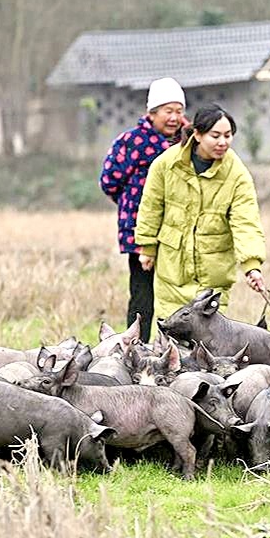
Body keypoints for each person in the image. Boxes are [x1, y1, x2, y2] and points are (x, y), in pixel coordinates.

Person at [133, 104, 267, 321]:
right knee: (172, 336)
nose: (222, 142)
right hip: (172, 268)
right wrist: (147, 246)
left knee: (207, 341)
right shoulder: (166, 164)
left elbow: (246, 222)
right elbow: (151, 206)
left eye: (228, 135)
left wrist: (252, 266)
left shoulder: (237, 174)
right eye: (215, 136)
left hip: (213, 272)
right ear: (197, 134)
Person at [99, 77, 186, 342]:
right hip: (139, 231)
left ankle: (177, 349)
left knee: (178, 292)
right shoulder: (131, 141)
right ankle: (136, 348)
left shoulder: (187, 142)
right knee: (142, 293)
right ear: (152, 113)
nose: (174, 117)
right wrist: (132, 204)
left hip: (178, 228)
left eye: (179, 111)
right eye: (168, 111)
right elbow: (109, 180)